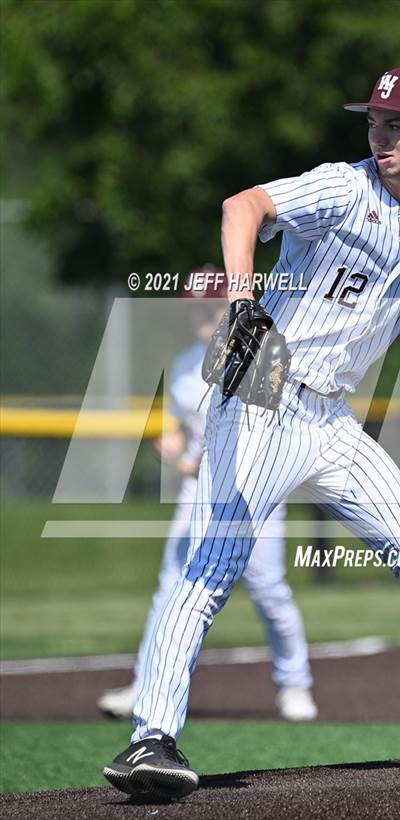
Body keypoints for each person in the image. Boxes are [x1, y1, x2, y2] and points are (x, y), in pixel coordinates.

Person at [103, 64, 400, 800]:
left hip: (329, 416)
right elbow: (242, 205)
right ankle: (149, 738)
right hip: (260, 386)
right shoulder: (343, 187)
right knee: (215, 563)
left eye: (396, 124)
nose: (379, 134)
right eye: (373, 121)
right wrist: (244, 294)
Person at [98, 266, 317, 724]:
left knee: (267, 589)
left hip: (253, 490)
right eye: (195, 305)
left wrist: (197, 459)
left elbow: (268, 432)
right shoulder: (183, 364)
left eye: (210, 304)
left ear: (231, 305)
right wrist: (175, 443)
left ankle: (294, 684)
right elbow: (185, 430)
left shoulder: (261, 354)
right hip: (198, 493)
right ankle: (147, 685)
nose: (200, 312)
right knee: (171, 586)